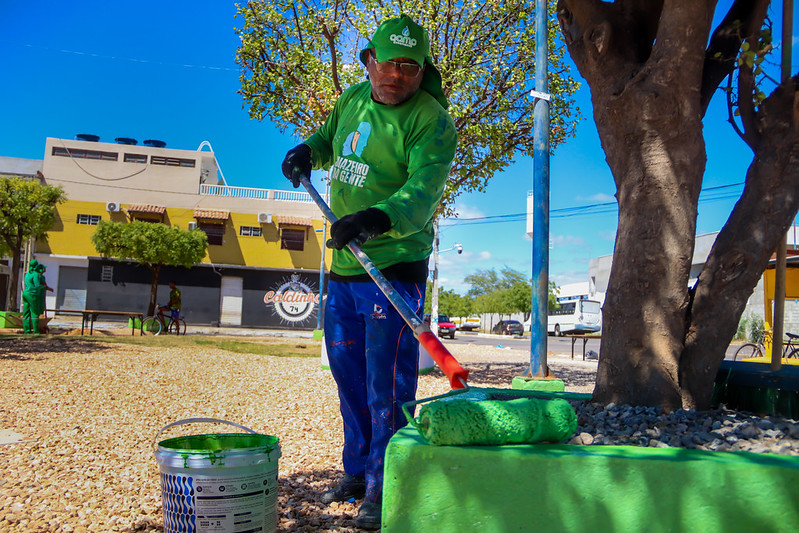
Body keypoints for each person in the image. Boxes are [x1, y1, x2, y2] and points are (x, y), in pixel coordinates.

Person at [281, 14, 457, 530]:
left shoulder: (432, 122)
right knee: (348, 377)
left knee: (389, 386)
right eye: (388, 63)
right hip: (343, 270)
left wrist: (376, 218)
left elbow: (422, 192)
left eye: (410, 66)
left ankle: (387, 486)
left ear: (423, 71)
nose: (397, 75)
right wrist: (307, 150)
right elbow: (330, 137)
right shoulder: (353, 100)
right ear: (369, 62)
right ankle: (357, 472)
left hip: (394, 269)